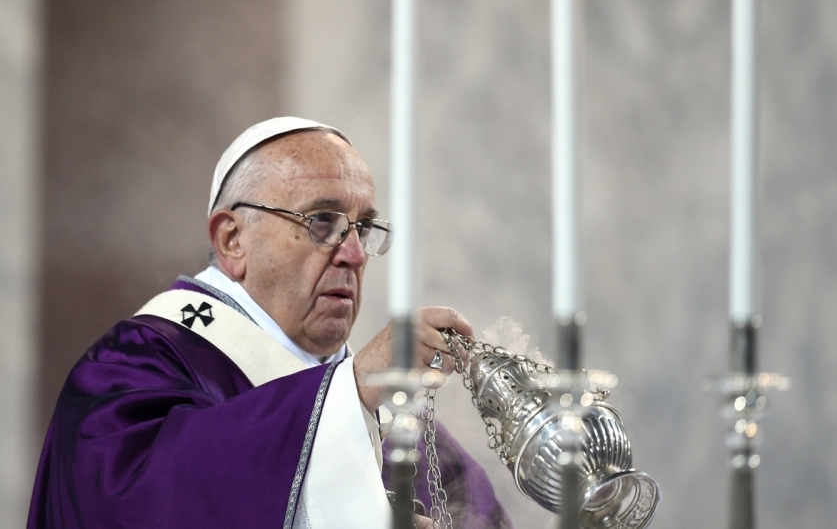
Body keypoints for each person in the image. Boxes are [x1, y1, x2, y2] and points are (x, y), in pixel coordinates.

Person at [28, 117, 512, 528]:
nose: (353, 254)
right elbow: (132, 499)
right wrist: (354, 390)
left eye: (363, 228)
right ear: (232, 239)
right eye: (322, 221)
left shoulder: (388, 411)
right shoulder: (131, 365)